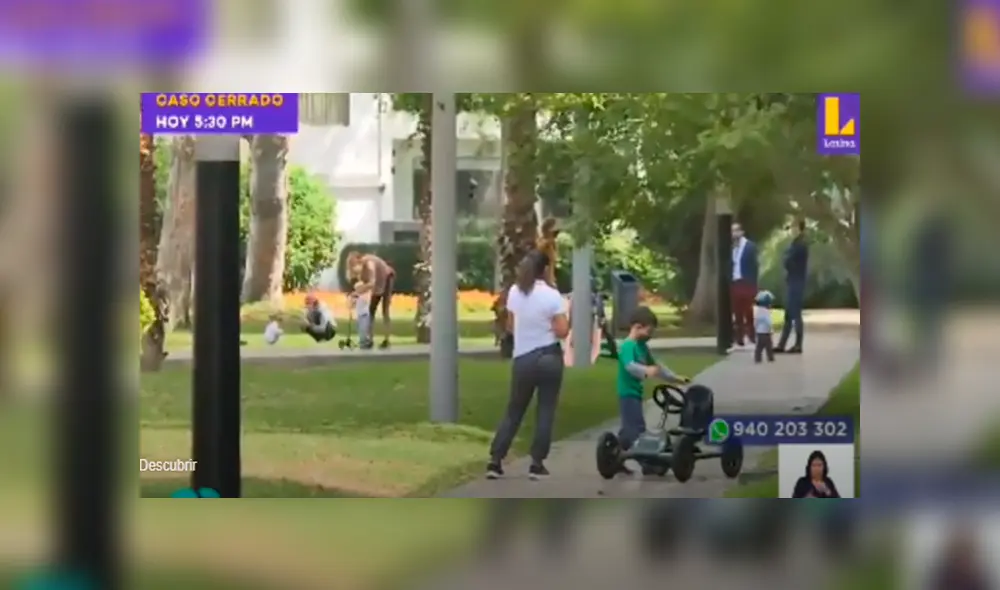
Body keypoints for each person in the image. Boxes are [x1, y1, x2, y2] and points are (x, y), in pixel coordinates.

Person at [486, 250, 569, 481]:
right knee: (545, 410)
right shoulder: (553, 296)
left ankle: (495, 460)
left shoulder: (515, 292)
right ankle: (537, 463)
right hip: (549, 355)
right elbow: (562, 330)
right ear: (545, 269)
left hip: (523, 357)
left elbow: (512, 326)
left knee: (514, 410)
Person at [616, 306, 689, 475]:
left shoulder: (642, 347)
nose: (650, 336)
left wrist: (674, 377)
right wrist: (645, 371)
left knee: (628, 430)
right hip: (627, 393)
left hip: (636, 392)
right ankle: (647, 464)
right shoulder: (628, 346)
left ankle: (616, 456)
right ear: (638, 327)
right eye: (649, 331)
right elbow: (629, 367)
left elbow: (658, 367)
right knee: (636, 430)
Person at [346, 251, 396, 349]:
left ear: (359, 261)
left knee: (385, 310)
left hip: (387, 277)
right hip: (376, 283)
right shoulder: (358, 271)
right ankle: (369, 340)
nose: (353, 268)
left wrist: (358, 292)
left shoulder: (369, 264)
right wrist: (355, 294)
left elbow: (372, 283)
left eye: (354, 265)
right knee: (370, 312)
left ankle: (387, 340)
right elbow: (361, 286)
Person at [776, 219, 808, 353]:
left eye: (794, 228)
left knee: (795, 314)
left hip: (797, 281)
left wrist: (786, 260)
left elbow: (790, 262)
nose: (791, 231)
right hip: (792, 281)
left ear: (800, 229)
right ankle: (781, 344)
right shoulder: (795, 244)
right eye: (791, 228)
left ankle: (798, 344)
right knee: (789, 315)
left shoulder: (800, 245)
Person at [731, 222, 759, 347]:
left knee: (748, 310)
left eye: (736, 231)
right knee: (737, 311)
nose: (734, 234)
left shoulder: (750, 247)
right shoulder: (732, 247)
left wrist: (753, 284)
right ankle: (739, 337)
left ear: (742, 232)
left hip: (747, 282)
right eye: (732, 231)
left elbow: (755, 266)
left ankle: (752, 335)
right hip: (735, 281)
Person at [753, 290, 775, 364]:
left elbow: (756, 321)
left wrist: (755, 328)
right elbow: (768, 321)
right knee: (768, 346)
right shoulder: (765, 311)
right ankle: (770, 357)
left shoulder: (758, 311)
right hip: (766, 332)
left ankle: (758, 358)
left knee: (759, 347)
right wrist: (771, 328)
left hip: (759, 332)